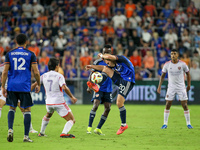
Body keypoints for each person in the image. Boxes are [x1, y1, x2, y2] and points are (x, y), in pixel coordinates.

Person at [1, 33, 41, 142]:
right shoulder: (31, 54)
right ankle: (26, 136)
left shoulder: (9, 54)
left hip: (12, 86)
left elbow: (4, 72)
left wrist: (3, 87)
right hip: (24, 86)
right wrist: (38, 83)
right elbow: (36, 72)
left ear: (15, 41)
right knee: (27, 109)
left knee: (12, 108)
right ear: (26, 42)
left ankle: (10, 129)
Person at [86, 52, 135, 135]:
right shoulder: (112, 64)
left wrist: (102, 55)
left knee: (119, 103)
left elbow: (109, 56)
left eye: (108, 62)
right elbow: (103, 68)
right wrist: (92, 66)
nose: (107, 63)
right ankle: (97, 85)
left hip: (128, 80)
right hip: (121, 78)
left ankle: (123, 125)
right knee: (105, 69)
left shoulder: (121, 58)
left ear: (111, 59)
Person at [36, 58, 77, 138]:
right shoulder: (59, 76)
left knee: (48, 114)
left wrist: (36, 86)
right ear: (57, 66)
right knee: (71, 120)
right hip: (59, 102)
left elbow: (36, 83)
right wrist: (72, 97)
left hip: (48, 102)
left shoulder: (44, 75)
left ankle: (41, 132)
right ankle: (64, 133)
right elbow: (64, 88)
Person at [157, 49, 193, 129]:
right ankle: (165, 123)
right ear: (170, 55)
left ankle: (188, 123)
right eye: (172, 54)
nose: (173, 55)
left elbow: (188, 74)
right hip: (171, 87)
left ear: (177, 55)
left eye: (174, 54)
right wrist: (159, 86)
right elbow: (162, 76)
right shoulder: (167, 65)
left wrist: (189, 85)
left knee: (184, 105)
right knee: (168, 104)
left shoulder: (183, 64)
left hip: (181, 87)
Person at [0, 63, 38, 133]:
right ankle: (27, 130)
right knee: (1, 105)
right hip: (7, 89)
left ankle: (30, 129)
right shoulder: (5, 65)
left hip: (13, 89)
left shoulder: (17, 65)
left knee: (23, 109)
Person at [86, 45, 113, 135]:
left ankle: (98, 128)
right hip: (98, 87)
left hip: (108, 89)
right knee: (96, 105)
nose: (107, 54)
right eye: (105, 52)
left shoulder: (113, 62)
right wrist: (89, 86)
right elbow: (92, 74)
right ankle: (89, 127)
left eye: (108, 52)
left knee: (108, 108)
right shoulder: (97, 62)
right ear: (102, 53)